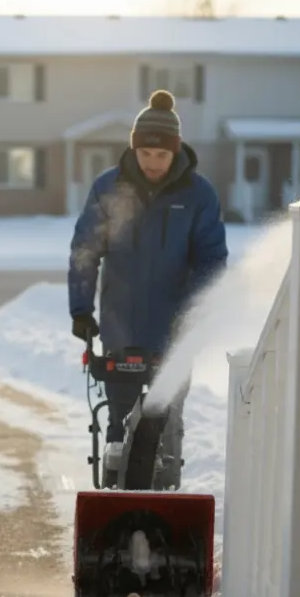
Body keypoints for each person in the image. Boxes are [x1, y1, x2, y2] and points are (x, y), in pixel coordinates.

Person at [68, 88, 228, 488]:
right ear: (133, 148)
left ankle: (166, 486)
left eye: (161, 154)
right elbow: (86, 249)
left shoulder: (198, 195)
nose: (153, 162)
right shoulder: (109, 188)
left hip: (175, 328)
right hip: (120, 323)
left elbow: (211, 261)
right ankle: (116, 487)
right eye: (145, 153)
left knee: (166, 418)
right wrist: (81, 310)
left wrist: (196, 315)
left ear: (175, 151)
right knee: (120, 418)